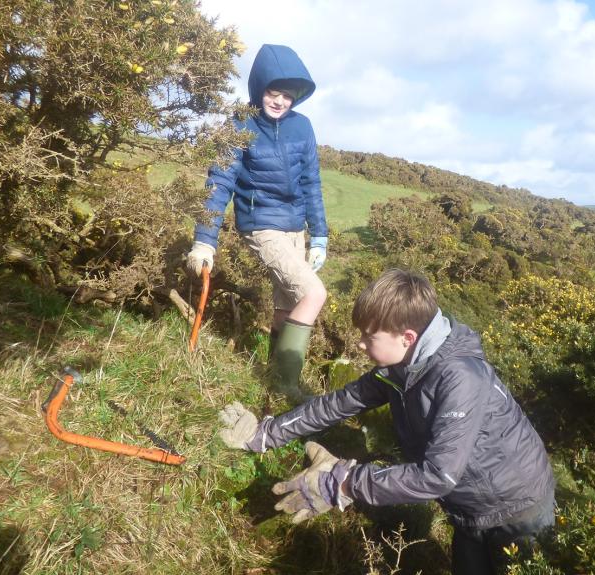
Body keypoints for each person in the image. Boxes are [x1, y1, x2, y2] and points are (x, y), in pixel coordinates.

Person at [217, 269, 556, 575]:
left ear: (407, 337)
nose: (360, 345)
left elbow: (439, 475)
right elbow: (340, 403)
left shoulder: (460, 378)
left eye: (369, 336)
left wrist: (344, 483)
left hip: (518, 511)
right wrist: (266, 433)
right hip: (468, 511)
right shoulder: (402, 367)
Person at [187, 44, 327, 402]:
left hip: (295, 228)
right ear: (259, 88)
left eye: (288, 96)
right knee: (313, 293)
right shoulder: (239, 124)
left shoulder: (303, 127)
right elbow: (219, 183)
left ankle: (272, 381)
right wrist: (205, 240)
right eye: (272, 92)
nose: (280, 101)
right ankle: (288, 387)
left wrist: (320, 237)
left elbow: (312, 182)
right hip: (260, 224)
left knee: (286, 306)